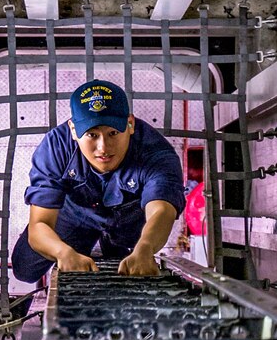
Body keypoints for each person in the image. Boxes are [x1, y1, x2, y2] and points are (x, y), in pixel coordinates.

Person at [11, 79, 185, 280]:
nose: (103, 147)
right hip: (76, 213)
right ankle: (83, 244)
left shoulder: (155, 151)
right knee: (24, 269)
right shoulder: (55, 148)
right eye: (92, 135)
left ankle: (114, 245)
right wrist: (62, 253)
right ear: (74, 130)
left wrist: (145, 248)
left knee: (128, 277)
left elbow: (162, 210)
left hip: (129, 217)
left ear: (130, 124)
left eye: (112, 133)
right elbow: (39, 223)